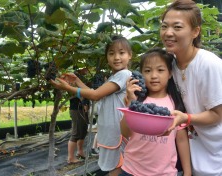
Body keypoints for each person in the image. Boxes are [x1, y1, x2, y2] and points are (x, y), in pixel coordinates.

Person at [50, 35, 132, 176]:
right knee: (114, 167)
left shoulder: (124, 74)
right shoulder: (113, 77)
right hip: (110, 132)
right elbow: (94, 93)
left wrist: (68, 88)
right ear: (106, 57)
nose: (116, 57)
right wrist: (76, 81)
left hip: (118, 133)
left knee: (118, 168)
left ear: (130, 56)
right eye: (111, 53)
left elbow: (95, 95)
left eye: (121, 53)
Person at [160, 1, 222, 175]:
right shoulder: (170, 64)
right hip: (194, 153)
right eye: (164, 26)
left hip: (217, 156)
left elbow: (218, 115)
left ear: (195, 31)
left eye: (177, 27)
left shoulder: (209, 65)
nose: (168, 33)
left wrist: (185, 118)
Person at [119, 47, 192, 176]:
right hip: (131, 170)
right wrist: (131, 103)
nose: (153, 76)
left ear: (170, 73)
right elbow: (125, 132)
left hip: (164, 172)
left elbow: (181, 139)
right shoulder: (137, 100)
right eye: (147, 71)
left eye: (160, 70)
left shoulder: (176, 104)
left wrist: (187, 172)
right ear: (141, 73)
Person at [67, 96, 89, 164]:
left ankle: (80, 152)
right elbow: (78, 93)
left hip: (81, 108)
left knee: (83, 131)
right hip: (76, 108)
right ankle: (70, 158)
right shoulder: (74, 85)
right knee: (76, 133)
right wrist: (85, 103)